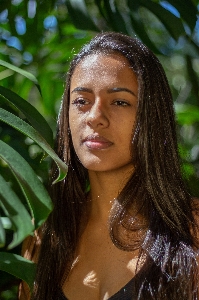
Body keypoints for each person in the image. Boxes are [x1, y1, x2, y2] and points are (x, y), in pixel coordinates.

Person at [19, 32, 199, 300]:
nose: (95, 117)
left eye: (119, 102)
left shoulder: (191, 229)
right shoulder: (44, 238)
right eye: (81, 100)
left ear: (151, 117)